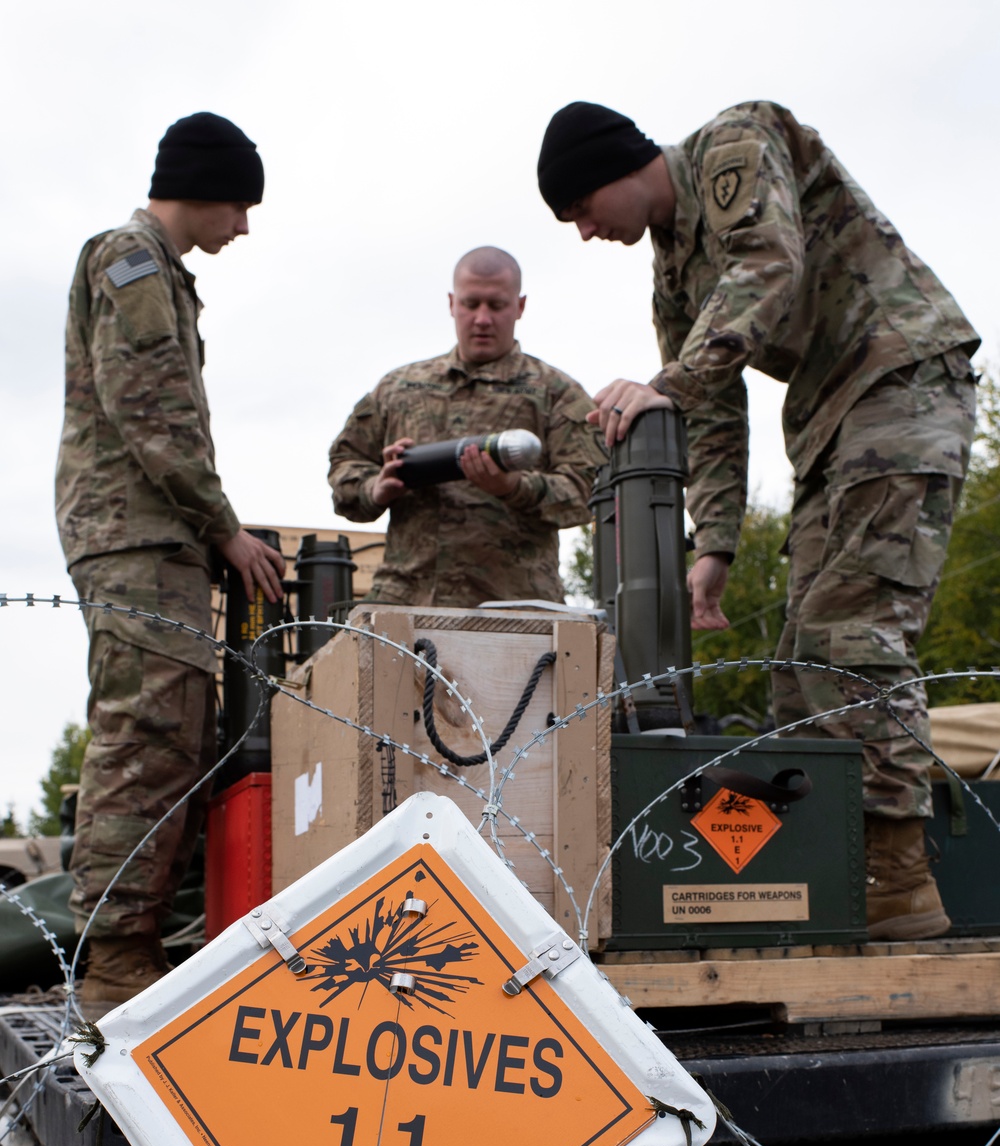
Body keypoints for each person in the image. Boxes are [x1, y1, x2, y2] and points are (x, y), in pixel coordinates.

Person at [537, 101, 979, 941]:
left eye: (583, 212)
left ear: (616, 171)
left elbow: (767, 265)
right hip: (830, 423)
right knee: (795, 667)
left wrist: (669, 377)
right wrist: (718, 547)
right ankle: (831, 863)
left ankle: (897, 872)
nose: (587, 234)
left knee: (851, 629)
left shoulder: (733, 145)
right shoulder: (672, 275)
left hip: (901, 378)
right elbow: (711, 415)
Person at [56, 111, 285, 1017]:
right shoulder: (134, 260)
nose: (245, 226)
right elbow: (152, 410)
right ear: (210, 187)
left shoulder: (160, 273)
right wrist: (224, 528)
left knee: (176, 741)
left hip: (158, 540)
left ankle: (140, 945)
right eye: (242, 205)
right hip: (139, 538)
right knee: (144, 742)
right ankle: (114, 960)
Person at [328, 247, 604, 606]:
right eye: (471, 304)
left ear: (519, 307)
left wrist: (514, 487)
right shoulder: (399, 388)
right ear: (451, 303)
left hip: (515, 608)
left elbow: (591, 490)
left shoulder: (555, 393)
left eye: (497, 305)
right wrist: (376, 488)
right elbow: (345, 465)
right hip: (405, 603)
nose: (482, 318)